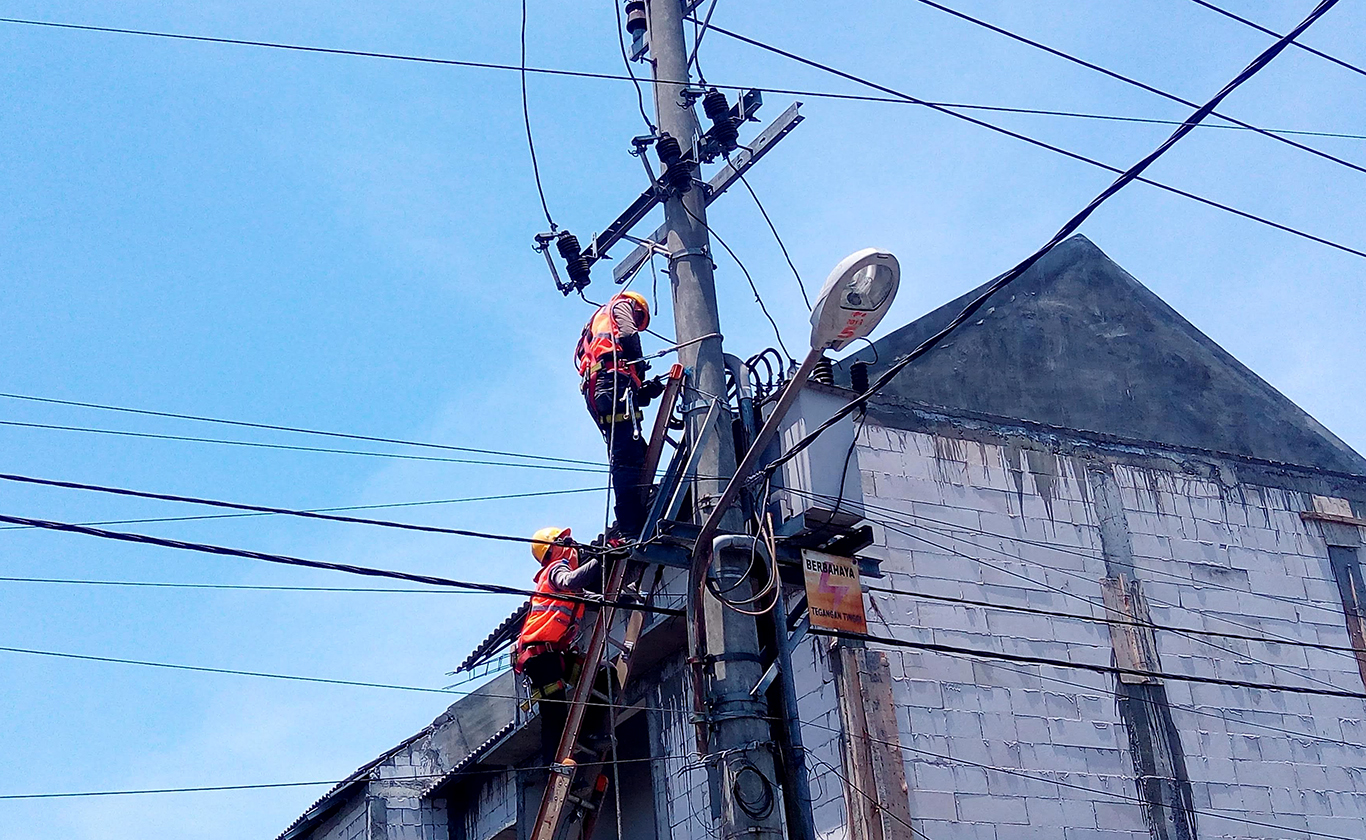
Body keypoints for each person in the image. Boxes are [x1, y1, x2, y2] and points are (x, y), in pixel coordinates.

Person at [574, 291, 665, 539]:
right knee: (626, 457)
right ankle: (629, 525)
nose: (636, 321)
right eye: (639, 318)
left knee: (633, 451)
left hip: (602, 390)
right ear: (637, 308)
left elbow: (621, 374)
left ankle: (634, 514)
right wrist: (641, 372)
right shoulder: (622, 305)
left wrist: (645, 390)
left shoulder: (597, 327)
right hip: (610, 384)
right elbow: (628, 335)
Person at [515, 526, 601, 763]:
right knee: (554, 710)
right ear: (554, 548)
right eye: (567, 541)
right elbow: (571, 579)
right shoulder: (555, 570)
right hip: (540, 655)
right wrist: (601, 559)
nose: (573, 546)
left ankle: (592, 733)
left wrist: (628, 597)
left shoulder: (569, 587)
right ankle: (553, 765)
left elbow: (597, 600)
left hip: (552, 654)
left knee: (602, 674)